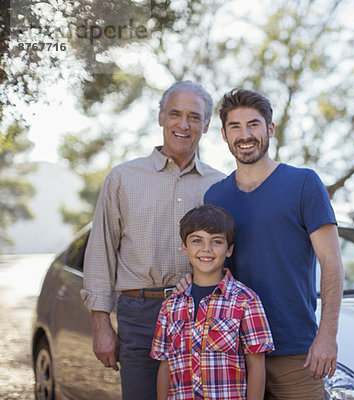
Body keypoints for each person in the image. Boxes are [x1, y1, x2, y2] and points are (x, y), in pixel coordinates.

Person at [196, 88, 344, 399]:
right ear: (223, 135)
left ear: (270, 129)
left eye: (253, 124)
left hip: (294, 350)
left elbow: (331, 262)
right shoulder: (215, 197)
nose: (245, 135)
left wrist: (327, 335)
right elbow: (212, 265)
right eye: (235, 127)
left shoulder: (303, 184)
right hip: (233, 351)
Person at [81, 81, 225, 400]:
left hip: (202, 312)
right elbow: (100, 252)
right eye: (175, 114)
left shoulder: (219, 186)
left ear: (206, 124)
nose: (183, 125)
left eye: (193, 116)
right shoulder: (123, 178)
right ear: (161, 117)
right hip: (139, 312)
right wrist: (101, 325)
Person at [151, 205, 274, 400]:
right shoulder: (170, 306)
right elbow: (165, 366)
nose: (206, 249)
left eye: (216, 242)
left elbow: (256, 366)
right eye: (196, 241)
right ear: (184, 247)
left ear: (229, 249)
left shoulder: (246, 301)